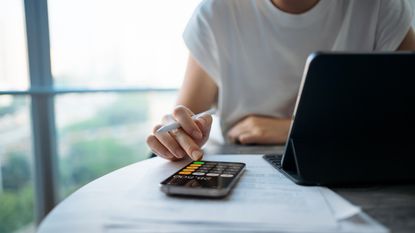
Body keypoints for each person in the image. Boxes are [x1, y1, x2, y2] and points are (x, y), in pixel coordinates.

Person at [147, 0, 415, 161]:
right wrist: (178, 133)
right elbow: (184, 124)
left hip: (349, 165)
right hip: (242, 167)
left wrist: (293, 129)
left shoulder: (379, 7)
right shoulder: (218, 11)